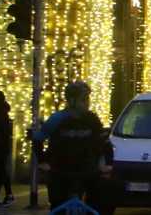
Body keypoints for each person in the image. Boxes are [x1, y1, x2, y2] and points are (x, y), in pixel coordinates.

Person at [34, 81, 107, 209]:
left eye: (87, 99)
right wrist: (42, 162)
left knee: (97, 202)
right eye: (83, 100)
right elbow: (38, 139)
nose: (87, 103)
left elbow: (102, 142)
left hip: (86, 170)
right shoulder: (57, 119)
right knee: (58, 205)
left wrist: (104, 162)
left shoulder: (92, 119)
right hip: (61, 170)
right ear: (72, 101)